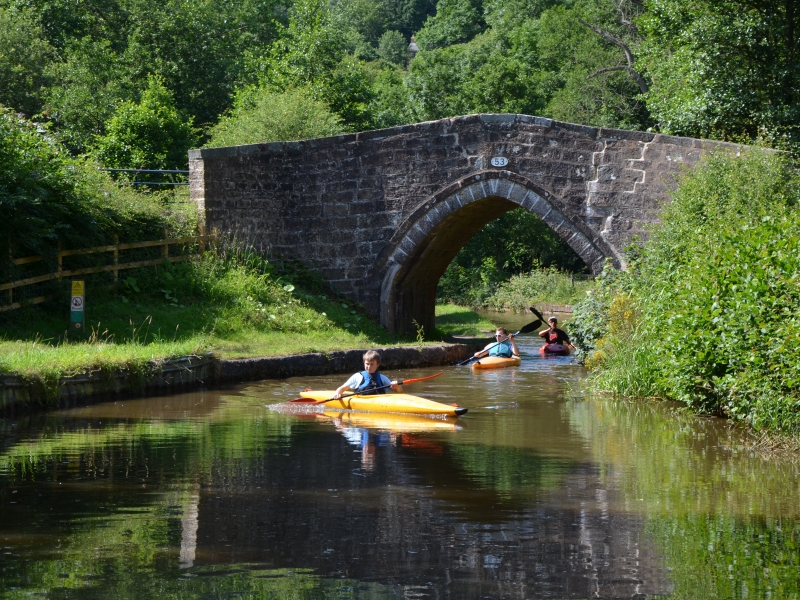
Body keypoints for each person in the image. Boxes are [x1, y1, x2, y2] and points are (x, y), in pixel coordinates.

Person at [333, 350, 403, 399]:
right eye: (367, 364)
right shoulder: (357, 377)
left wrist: (397, 386)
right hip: (362, 401)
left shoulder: (383, 378)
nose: (369, 367)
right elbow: (341, 388)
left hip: (379, 402)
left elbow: (399, 392)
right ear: (364, 363)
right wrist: (337, 394)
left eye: (372, 364)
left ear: (378, 364)